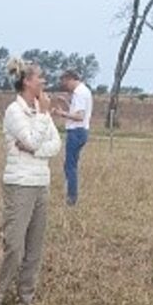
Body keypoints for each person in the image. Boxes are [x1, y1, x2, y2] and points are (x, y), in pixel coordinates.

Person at [0, 58, 62, 305]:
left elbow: (55, 145)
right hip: (20, 184)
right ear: (26, 81)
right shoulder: (15, 111)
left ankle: (25, 299)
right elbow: (33, 140)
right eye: (39, 77)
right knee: (14, 245)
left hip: (41, 182)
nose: (43, 81)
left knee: (34, 246)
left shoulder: (38, 109)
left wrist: (34, 149)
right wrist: (44, 116)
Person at [54, 68, 93, 206]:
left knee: (70, 166)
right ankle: (71, 196)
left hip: (76, 131)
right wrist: (66, 102)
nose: (65, 86)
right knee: (71, 165)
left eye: (65, 82)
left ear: (71, 79)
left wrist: (62, 113)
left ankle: (71, 198)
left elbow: (79, 116)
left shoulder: (79, 93)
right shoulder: (83, 91)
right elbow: (76, 110)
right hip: (80, 131)